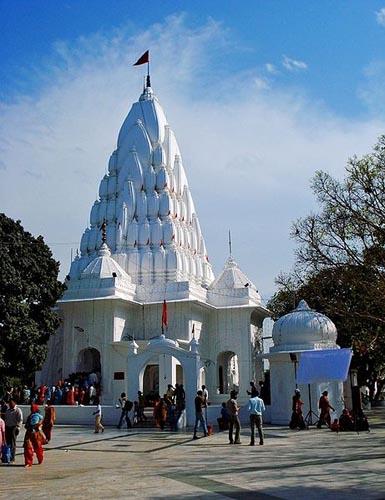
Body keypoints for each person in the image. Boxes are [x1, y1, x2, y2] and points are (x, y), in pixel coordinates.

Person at [4, 398, 23, 463]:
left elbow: (20, 420)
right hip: (7, 428)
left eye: (11, 403)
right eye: (9, 403)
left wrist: (18, 428)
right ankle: (7, 456)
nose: (10, 404)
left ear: (14, 403)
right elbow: (6, 419)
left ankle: (13, 457)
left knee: (13, 443)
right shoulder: (8, 410)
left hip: (14, 428)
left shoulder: (18, 410)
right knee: (7, 443)